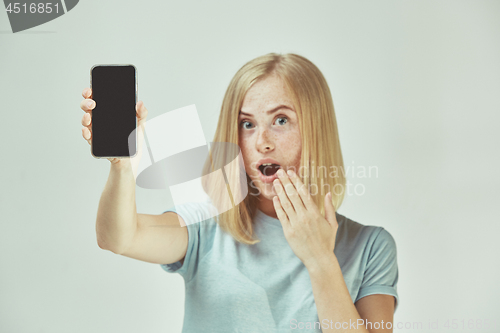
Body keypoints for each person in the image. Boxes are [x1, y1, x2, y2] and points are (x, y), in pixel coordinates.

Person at [80, 53, 399, 333]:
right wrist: (122, 168)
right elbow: (118, 238)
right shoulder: (206, 225)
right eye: (247, 124)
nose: (262, 142)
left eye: (281, 120)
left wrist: (320, 260)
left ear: (317, 128)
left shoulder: (370, 247)